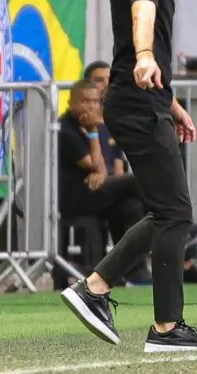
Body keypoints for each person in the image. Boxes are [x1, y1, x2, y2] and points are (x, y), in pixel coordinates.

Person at [61, 0, 197, 353]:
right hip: (135, 101)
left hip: (144, 100)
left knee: (168, 211)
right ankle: (132, 309)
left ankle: (117, 300)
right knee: (174, 212)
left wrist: (170, 103)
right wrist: (147, 53)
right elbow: (141, 15)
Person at [57, 78, 148, 282]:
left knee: (130, 206)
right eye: (85, 101)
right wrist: (92, 132)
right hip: (78, 196)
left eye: (95, 101)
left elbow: (105, 167)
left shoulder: (102, 124)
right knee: (138, 181)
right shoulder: (67, 127)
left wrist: (100, 171)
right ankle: (169, 219)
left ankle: (133, 272)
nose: (91, 106)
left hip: (98, 192)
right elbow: (94, 164)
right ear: (72, 103)